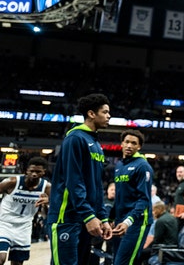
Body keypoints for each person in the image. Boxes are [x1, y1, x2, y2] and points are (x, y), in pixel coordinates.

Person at [47, 93, 113, 265]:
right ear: (91, 114)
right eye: (105, 112)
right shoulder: (75, 138)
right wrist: (89, 216)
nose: (109, 116)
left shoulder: (96, 144)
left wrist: (102, 217)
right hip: (67, 218)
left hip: (86, 219)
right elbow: (74, 181)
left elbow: (97, 187)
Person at [111, 129, 154, 265]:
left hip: (137, 222)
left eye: (134, 143)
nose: (129, 145)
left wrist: (128, 221)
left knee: (122, 262)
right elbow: (119, 197)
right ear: (122, 144)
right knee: (117, 260)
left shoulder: (143, 166)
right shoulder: (119, 165)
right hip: (120, 220)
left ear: (139, 147)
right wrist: (111, 217)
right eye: (127, 142)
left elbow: (144, 199)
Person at [0, 157, 50, 265]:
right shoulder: (12, 182)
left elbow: (58, 203)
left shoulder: (46, 187)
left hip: (24, 227)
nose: (34, 174)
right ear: (26, 170)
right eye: (32, 171)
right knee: (1, 258)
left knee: (17, 263)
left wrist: (49, 201)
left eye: (38, 171)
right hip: (4, 224)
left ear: (43, 172)